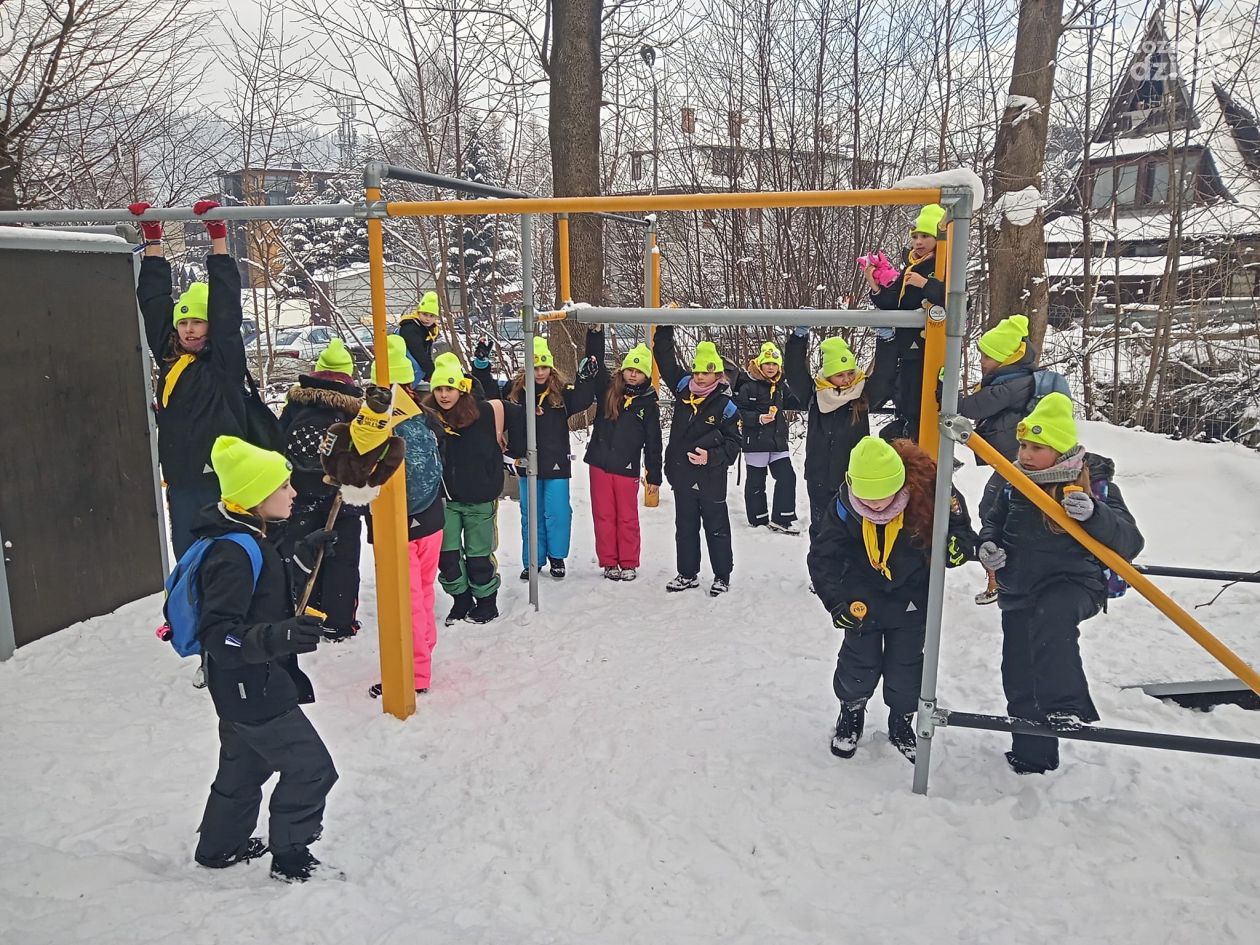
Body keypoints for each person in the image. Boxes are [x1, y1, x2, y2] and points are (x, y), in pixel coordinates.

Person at [193, 435, 340, 883]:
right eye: (283, 487)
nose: (293, 493)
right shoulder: (234, 552)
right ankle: (291, 854)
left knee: (245, 765)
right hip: (251, 687)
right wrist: (282, 637)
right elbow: (219, 635)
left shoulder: (246, 536)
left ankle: (220, 848)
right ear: (256, 496)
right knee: (312, 769)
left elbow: (261, 598)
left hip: (237, 688)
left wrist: (300, 555)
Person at [977, 392, 1144, 775]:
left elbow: (1130, 542)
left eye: (1038, 447)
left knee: (1051, 621)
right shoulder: (1012, 481)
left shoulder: (1092, 483)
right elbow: (992, 523)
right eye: (1022, 444)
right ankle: (1032, 755)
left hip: (1073, 583)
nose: (1027, 454)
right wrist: (987, 547)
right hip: (1019, 586)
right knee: (1018, 671)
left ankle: (1067, 708)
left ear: (1060, 450)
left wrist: (1094, 514)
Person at [808, 436, 975, 762]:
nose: (876, 507)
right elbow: (823, 556)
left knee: (907, 665)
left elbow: (962, 531)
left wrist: (958, 548)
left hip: (912, 594)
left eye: (884, 498)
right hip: (862, 598)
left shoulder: (932, 490)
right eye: (867, 501)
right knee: (859, 661)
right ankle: (851, 711)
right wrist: (836, 602)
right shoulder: (843, 505)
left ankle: (902, 720)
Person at [132, 199, 250, 559]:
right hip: (182, 476)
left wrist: (218, 240)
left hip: (220, 475)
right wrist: (153, 240)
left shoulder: (222, 361)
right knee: (187, 551)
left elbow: (227, 307)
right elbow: (153, 304)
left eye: (196, 322)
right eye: (183, 323)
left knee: (224, 551)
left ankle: (228, 612)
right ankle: (185, 613)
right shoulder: (170, 358)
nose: (188, 330)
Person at [475, 333, 601, 581]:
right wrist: (481, 364)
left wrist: (586, 379)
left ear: (550, 367)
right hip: (526, 461)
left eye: (544, 366)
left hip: (555, 461)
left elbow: (583, 400)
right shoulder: (515, 390)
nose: (540, 372)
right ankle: (533, 559)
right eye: (535, 367)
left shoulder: (561, 392)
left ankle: (556, 557)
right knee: (530, 513)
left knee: (557, 512)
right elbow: (488, 393)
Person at [363, 336, 447, 697]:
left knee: (405, 598)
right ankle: (423, 653)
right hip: (431, 519)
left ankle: (412, 674)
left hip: (400, 523)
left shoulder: (380, 422)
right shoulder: (424, 416)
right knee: (423, 592)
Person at [278, 339, 365, 641]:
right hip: (343, 497)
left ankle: (306, 612)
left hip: (299, 493)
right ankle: (339, 621)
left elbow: (279, 443)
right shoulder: (354, 408)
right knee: (342, 559)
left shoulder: (297, 403)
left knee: (304, 552)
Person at [652, 326, 743, 596]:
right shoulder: (682, 388)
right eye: (698, 372)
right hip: (682, 475)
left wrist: (711, 456)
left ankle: (722, 575)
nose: (701, 377)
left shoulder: (726, 405)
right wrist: (666, 324)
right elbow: (665, 357)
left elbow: (734, 445)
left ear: (717, 374)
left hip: (711, 478)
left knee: (717, 528)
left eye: (707, 372)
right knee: (686, 527)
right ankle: (687, 573)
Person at [956, 313, 1039, 605]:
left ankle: (1002, 576)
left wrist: (941, 387)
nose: (982, 362)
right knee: (994, 509)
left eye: (988, 357)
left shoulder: (1011, 385)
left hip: (1016, 462)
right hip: (1013, 460)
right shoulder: (1014, 379)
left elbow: (971, 407)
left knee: (992, 509)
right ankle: (1000, 575)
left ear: (1006, 359)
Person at [426, 352, 512, 624]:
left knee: (478, 555)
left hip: (479, 497)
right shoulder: (428, 417)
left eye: (449, 388)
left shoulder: (483, 411)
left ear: (460, 388)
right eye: (438, 388)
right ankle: (461, 600)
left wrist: (516, 451)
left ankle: (487, 601)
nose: (443, 395)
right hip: (446, 499)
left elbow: (520, 416)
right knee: (448, 556)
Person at [784, 330, 888, 546]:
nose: (847, 379)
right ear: (828, 376)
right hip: (819, 476)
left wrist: (886, 341)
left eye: (850, 373)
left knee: (853, 532)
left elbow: (884, 377)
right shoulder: (815, 395)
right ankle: (822, 577)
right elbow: (794, 373)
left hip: (853, 479)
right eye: (840, 375)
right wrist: (798, 339)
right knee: (822, 530)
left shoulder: (862, 394)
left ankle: (850, 575)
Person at [864, 203, 947, 442]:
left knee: (919, 400)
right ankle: (910, 434)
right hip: (905, 346)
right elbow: (893, 303)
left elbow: (960, 301)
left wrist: (925, 285)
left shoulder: (942, 265)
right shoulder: (913, 265)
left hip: (926, 347)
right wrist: (874, 284)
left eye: (925, 236)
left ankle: (921, 443)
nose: (918, 242)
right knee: (904, 394)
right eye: (915, 236)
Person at [584, 341, 663, 581]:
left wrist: (654, 474)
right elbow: (594, 360)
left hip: (626, 468)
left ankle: (628, 561)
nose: (632, 374)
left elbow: (653, 441)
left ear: (645, 375)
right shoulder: (609, 389)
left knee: (627, 516)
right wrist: (595, 333)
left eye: (638, 371)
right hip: (600, 464)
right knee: (604, 515)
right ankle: (609, 561)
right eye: (630, 369)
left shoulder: (648, 403)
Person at [732, 340, 803, 533]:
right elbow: (738, 412)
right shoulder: (748, 386)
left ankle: (783, 517)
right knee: (756, 482)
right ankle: (757, 519)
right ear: (760, 365)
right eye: (767, 363)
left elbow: (797, 401)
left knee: (787, 477)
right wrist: (758, 419)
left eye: (774, 364)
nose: (771, 367)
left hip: (777, 442)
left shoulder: (780, 386)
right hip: (755, 442)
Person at [398, 291, 441, 383]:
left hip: (410, 370)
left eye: (432, 316)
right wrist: (431, 373)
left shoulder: (429, 330)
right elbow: (419, 353)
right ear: (418, 313)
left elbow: (426, 354)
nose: (428, 318)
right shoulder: (410, 328)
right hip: (402, 371)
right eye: (425, 314)